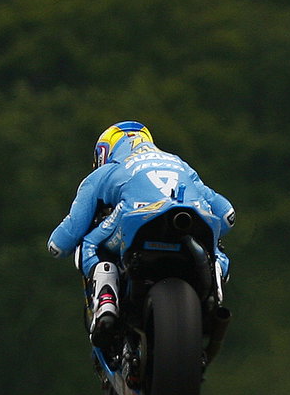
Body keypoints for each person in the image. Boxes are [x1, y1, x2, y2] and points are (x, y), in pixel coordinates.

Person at [47, 121, 236, 345]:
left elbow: (65, 240)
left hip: (137, 218)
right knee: (214, 247)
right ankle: (215, 287)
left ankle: (107, 304)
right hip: (193, 217)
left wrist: (53, 244)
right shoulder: (179, 163)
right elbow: (227, 215)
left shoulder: (107, 171)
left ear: (105, 152)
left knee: (89, 244)